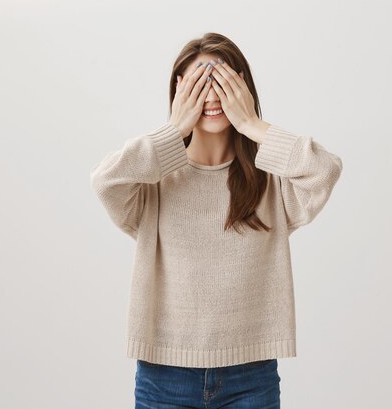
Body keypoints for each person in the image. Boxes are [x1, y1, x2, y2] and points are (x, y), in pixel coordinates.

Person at [90, 32, 343, 408]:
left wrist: (253, 125)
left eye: (223, 82)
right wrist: (174, 130)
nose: (211, 96)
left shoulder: (271, 178)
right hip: (164, 376)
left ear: (244, 88)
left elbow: (324, 170)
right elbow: (105, 180)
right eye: (199, 82)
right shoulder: (153, 178)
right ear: (178, 89)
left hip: (251, 376)